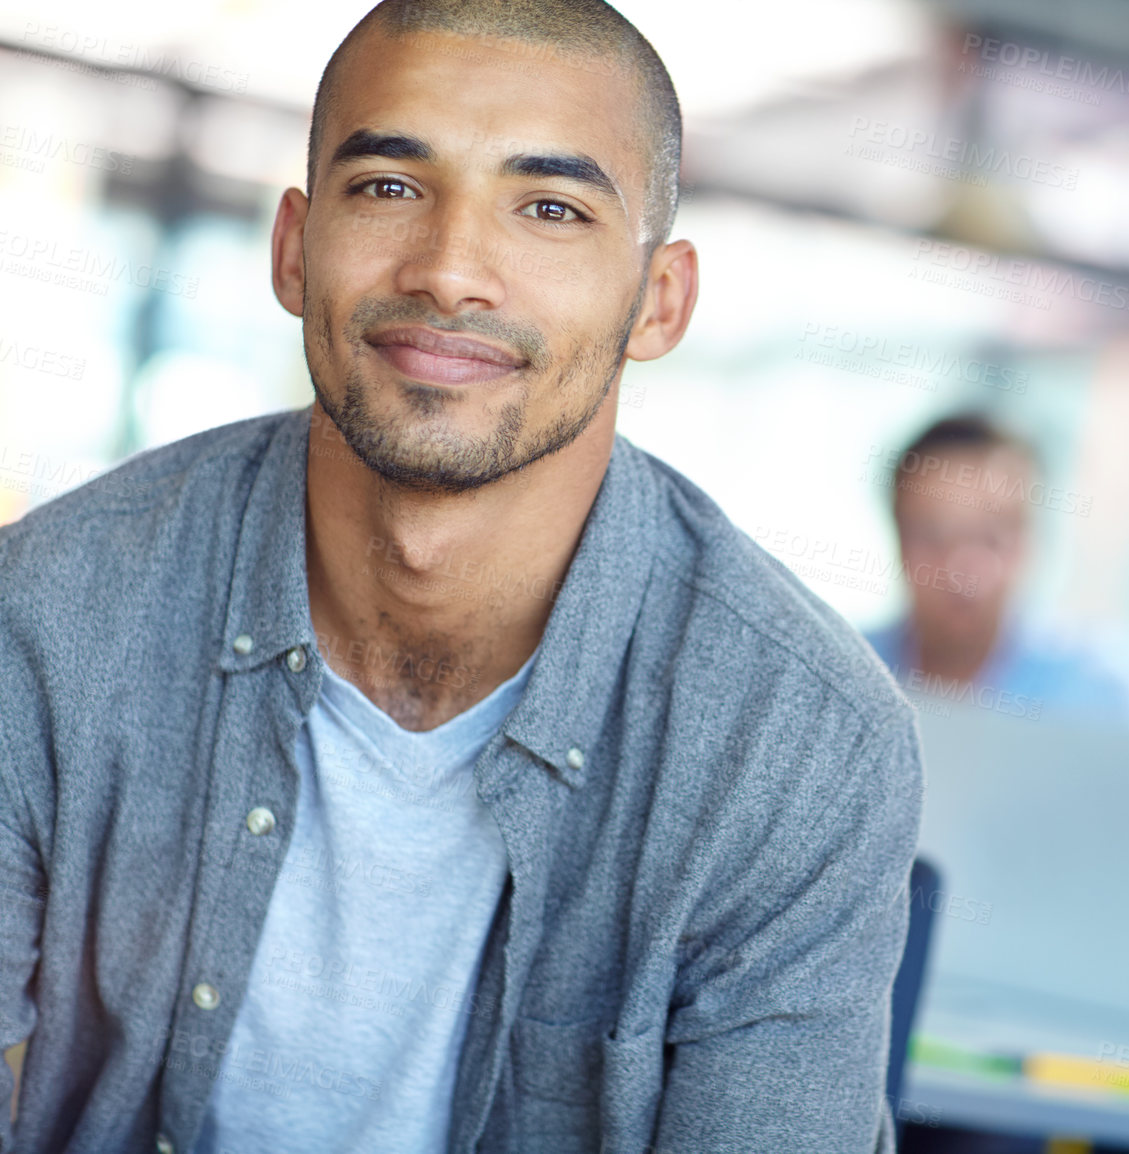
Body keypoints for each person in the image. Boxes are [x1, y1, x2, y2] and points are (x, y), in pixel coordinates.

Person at [0, 3, 923, 1151]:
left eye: (550, 208)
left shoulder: (797, 738)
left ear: (660, 300)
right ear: (292, 248)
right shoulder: (51, 611)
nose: (449, 271)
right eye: (389, 185)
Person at [863, 414, 1129, 737]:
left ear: (1033, 541)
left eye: (993, 537)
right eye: (933, 535)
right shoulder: (848, 673)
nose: (961, 569)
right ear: (898, 537)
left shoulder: (1106, 689)